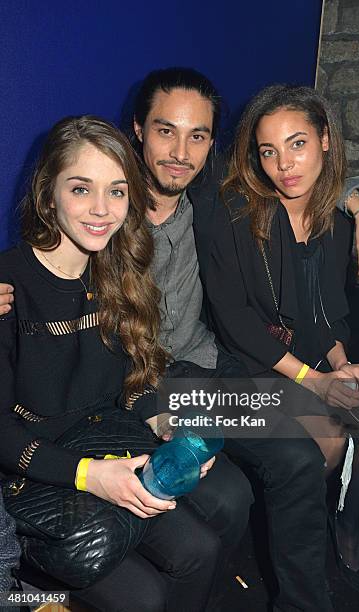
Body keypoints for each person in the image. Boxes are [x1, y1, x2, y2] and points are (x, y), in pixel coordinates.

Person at [0, 67, 359, 611]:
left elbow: (295, 178)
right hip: (156, 383)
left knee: (311, 451)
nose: (180, 152)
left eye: (198, 136)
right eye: (166, 131)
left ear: (214, 145)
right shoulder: (107, 215)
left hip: (212, 366)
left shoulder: (209, 196)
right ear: (137, 130)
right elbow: (42, 274)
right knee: (271, 472)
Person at [0, 115, 252, 612]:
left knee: (203, 549)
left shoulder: (116, 271)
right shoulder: (7, 289)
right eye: (80, 188)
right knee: (144, 596)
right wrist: (90, 475)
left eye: (116, 192)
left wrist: (162, 421)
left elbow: (125, 387)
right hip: (38, 475)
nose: (101, 210)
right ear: (48, 194)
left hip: (108, 445)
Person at [205, 84, 359, 599]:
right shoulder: (236, 212)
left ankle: (345, 523)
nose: (284, 165)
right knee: (329, 440)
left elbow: (326, 310)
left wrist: (345, 365)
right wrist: (317, 383)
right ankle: (293, 530)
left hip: (310, 353)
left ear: (326, 141)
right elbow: (236, 323)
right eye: (268, 150)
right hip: (254, 362)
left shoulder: (333, 217)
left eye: (297, 144)